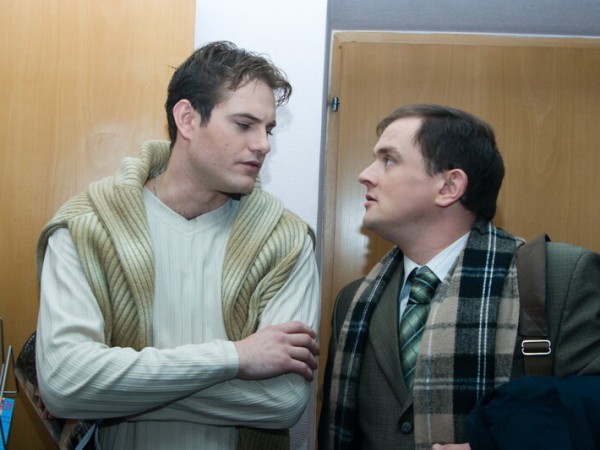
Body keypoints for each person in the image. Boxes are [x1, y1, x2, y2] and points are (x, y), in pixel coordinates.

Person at [35, 41, 320, 450]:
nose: (264, 144)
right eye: (245, 124)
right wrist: (236, 358)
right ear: (187, 119)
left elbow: (283, 401)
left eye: (268, 129)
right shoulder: (87, 226)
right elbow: (66, 382)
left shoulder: (286, 241)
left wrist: (115, 391)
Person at [318, 104, 600, 450]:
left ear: (449, 186)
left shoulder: (558, 276)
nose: (365, 174)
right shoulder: (352, 301)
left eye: (388, 160)